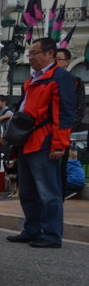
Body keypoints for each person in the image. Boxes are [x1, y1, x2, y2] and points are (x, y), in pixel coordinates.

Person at [6, 38, 76, 249]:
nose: (31, 57)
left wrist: (59, 145)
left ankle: (52, 234)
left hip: (44, 141)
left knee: (48, 191)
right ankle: (32, 230)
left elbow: (64, 114)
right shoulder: (33, 79)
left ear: (49, 53)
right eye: (29, 54)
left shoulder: (60, 77)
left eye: (34, 53)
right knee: (28, 191)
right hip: (27, 141)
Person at [55, 48, 86, 200]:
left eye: (59, 59)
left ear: (67, 62)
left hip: (63, 134)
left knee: (61, 166)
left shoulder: (76, 82)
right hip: (47, 133)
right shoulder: (47, 80)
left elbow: (79, 109)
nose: (56, 62)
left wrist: (67, 129)